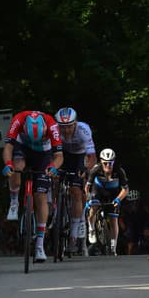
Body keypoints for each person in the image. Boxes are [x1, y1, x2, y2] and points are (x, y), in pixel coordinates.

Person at [2, 110, 63, 262]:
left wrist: (54, 167)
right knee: (17, 167)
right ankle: (14, 202)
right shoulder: (18, 120)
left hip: (44, 154)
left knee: (40, 196)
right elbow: (8, 147)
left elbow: (59, 156)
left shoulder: (52, 125)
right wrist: (8, 164)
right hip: (22, 148)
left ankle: (39, 246)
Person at [54, 107, 97, 255]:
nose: (66, 130)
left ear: (76, 123)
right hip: (63, 155)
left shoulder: (83, 130)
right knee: (53, 176)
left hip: (79, 157)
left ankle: (73, 236)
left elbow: (92, 156)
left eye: (69, 126)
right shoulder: (55, 131)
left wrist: (86, 170)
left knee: (76, 192)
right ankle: (54, 207)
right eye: (62, 127)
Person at [85, 148, 129, 256]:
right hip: (98, 191)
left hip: (113, 194)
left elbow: (126, 189)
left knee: (114, 219)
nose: (108, 165)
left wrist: (118, 199)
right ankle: (91, 228)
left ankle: (113, 246)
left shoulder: (119, 171)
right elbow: (87, 187)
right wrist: (88, 199)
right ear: (101, 161)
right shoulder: (96, 169)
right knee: (93, 208)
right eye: (105, 163)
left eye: (111, 163)